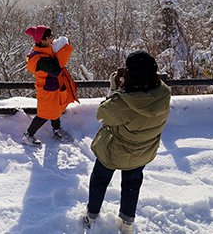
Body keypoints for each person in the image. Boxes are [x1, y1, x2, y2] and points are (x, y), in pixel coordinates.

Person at [82, 51, 171, 234]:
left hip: (115, 152)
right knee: (132, 183)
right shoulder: (164, 93)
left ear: (130, 75)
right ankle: (127, 223)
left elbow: (102, 114)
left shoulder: (121, 102)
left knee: (99, 180)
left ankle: (91, 216)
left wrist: (114, 90)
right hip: (144, 151)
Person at [22, 25, 79, 146]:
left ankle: (56, 130)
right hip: (47, 91)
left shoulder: (44, 52)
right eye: (49, 37)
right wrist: (64, 50)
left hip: (51, 88)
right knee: (44, 114)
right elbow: (56, 70)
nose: (52, 39)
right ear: (42, 40)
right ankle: (28, 135)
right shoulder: (41, 59)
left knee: (55, 110)